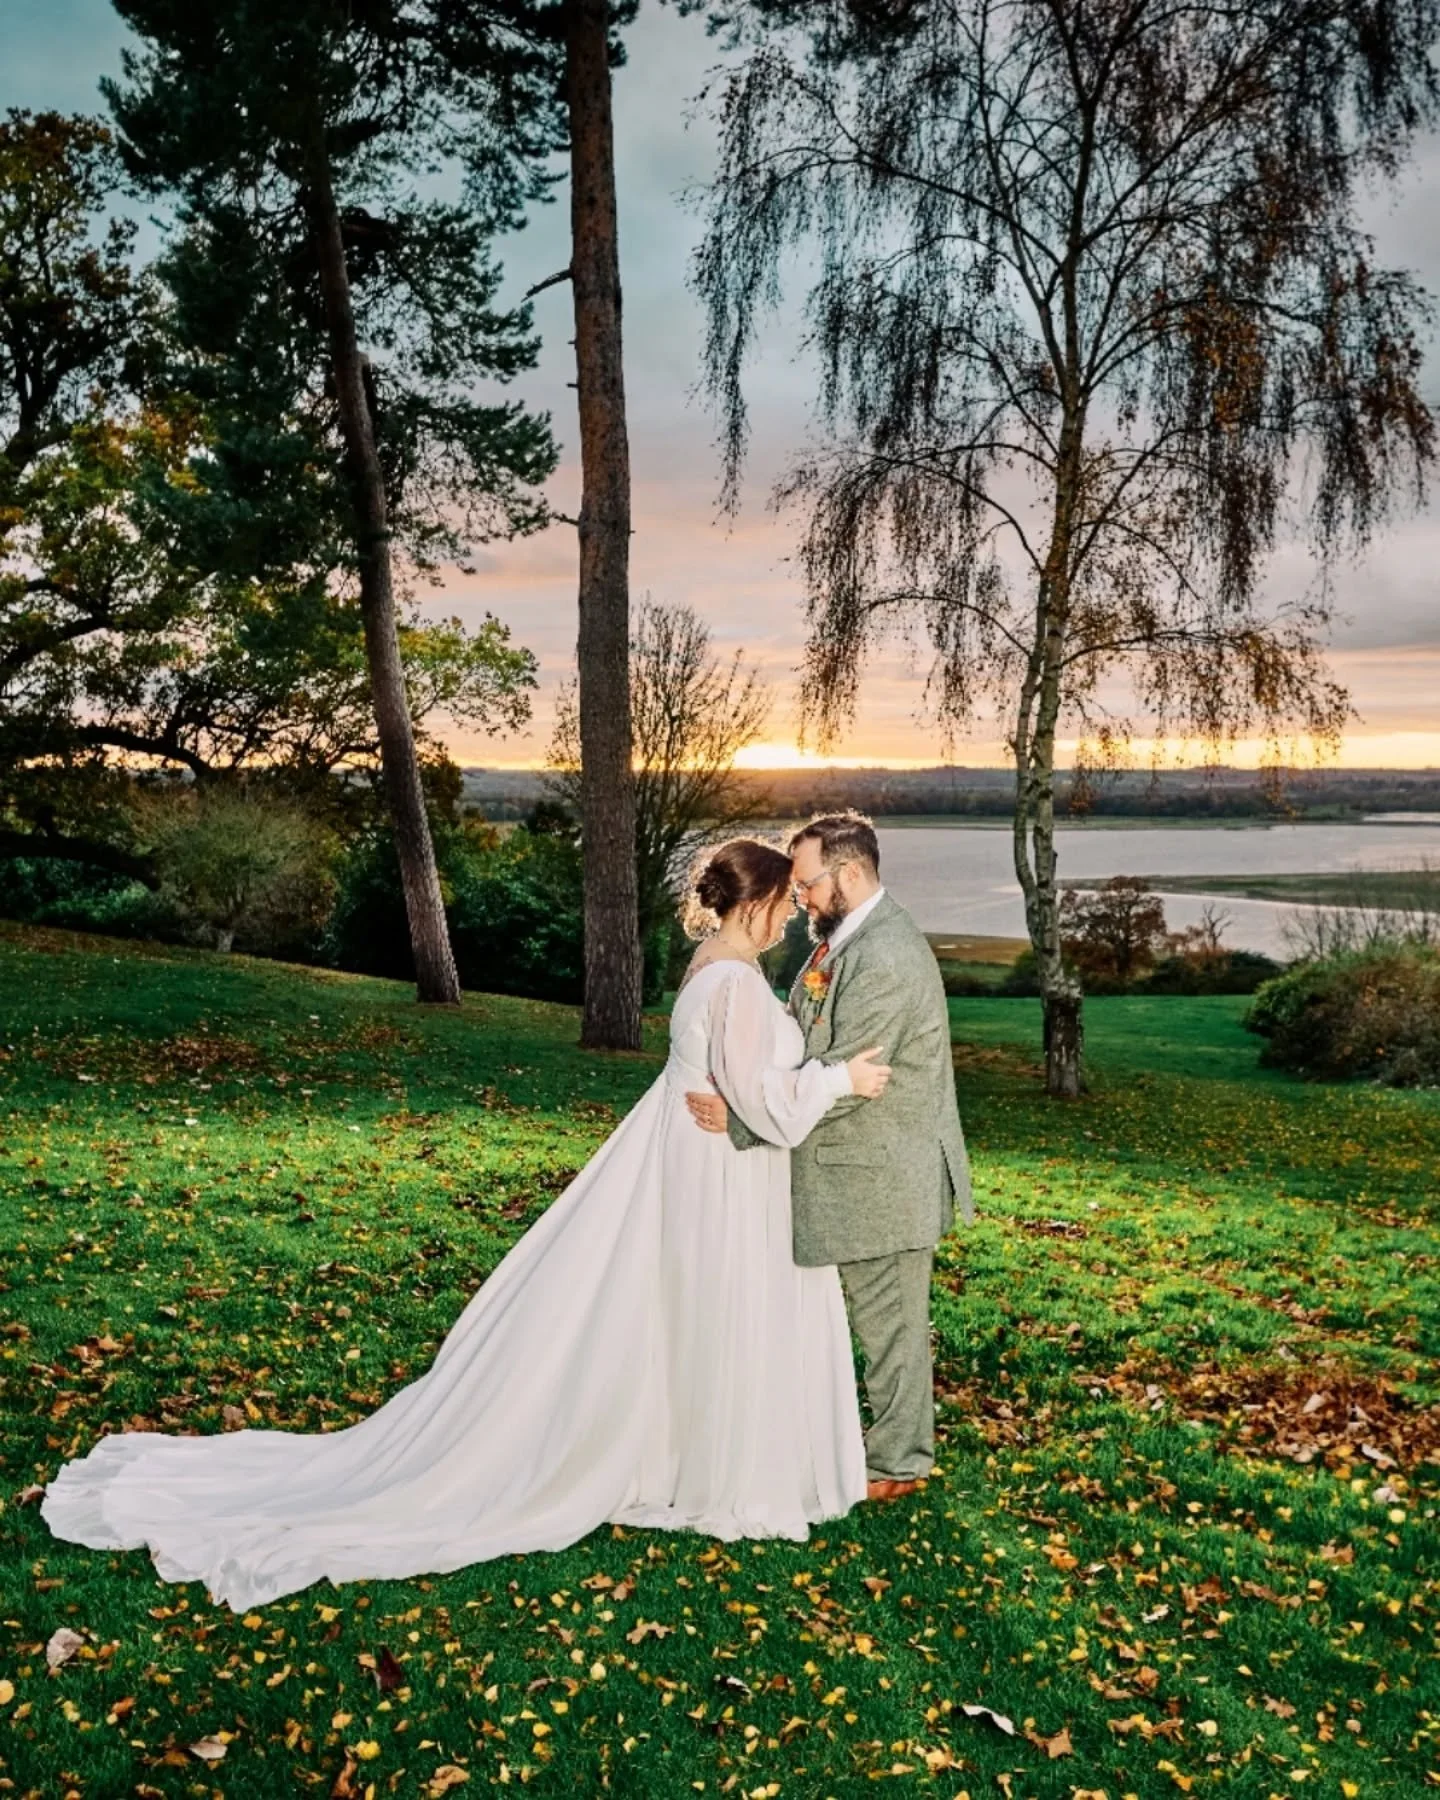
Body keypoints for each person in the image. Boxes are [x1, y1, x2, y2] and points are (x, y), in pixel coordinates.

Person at [40, 838, 891, 1613]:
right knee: (706, 1311)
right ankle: (705, 1463)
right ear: (756, 901)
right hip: (715, 1178)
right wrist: (838, 1081)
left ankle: (679, 1450)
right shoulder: (734, 982)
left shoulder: (711, 966)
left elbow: (735, 1089)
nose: (793, 914)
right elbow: (767, 1107)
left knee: (679, 1315)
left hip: (696, 1162)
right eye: (785, 901)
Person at [687, 812, 972, 1502]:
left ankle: (899, 1464)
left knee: (891, 1326)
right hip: (850, 1167)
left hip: (884, 1172)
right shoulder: (844, 941)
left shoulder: (886, 956)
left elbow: (850, 1074)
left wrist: (747, 1123)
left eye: (808, 884)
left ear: (847, 874)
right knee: (872, 1321)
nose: (801, 898)